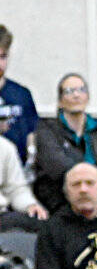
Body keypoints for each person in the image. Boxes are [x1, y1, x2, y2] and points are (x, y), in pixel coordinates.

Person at [33, 74, 97, 214]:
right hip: (62, 197)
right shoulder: (47, 131)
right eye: (69, 91)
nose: (76, 95)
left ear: (88, 97)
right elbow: (58, 167)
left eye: (81, 90)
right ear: (60, 101)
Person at [0, 26, 38, 170]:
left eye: (3, 57)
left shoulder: (21, 94)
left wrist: (31, 160)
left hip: (16, 171)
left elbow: (31, 133)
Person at [0, 132, 45, 231]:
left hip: (2, 217)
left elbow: (16, 189)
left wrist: (30, 205)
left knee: (40, 223)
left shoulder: (5, 147)